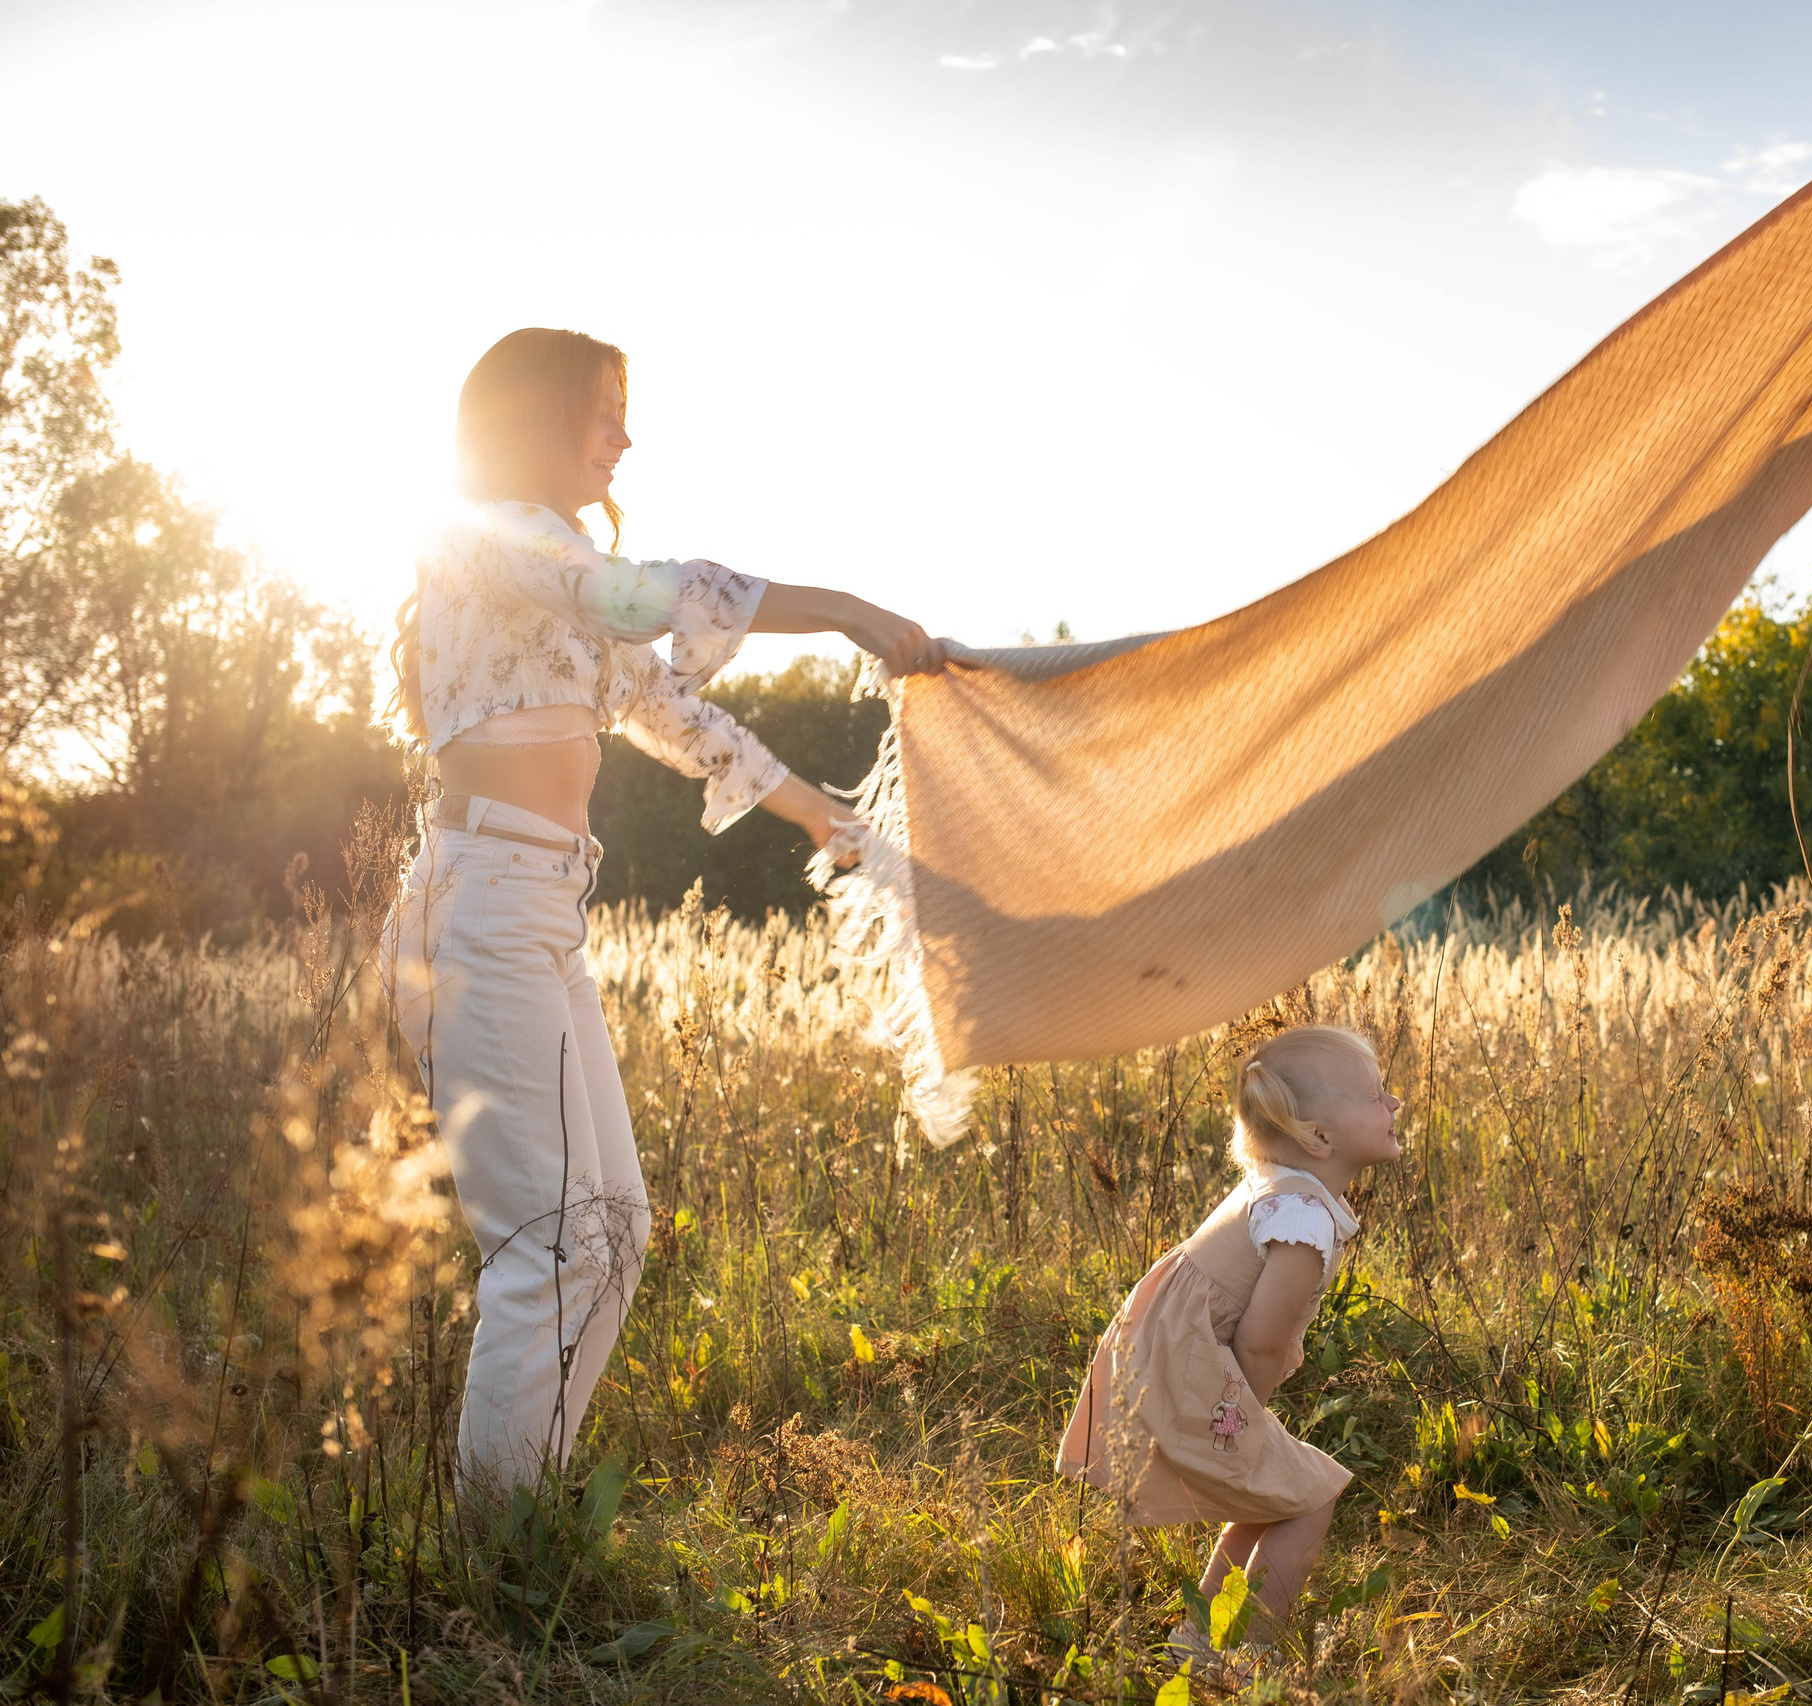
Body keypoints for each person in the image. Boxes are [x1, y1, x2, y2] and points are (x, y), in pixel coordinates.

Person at [379, 326, 961, 1491]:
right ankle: (498, 1567)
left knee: (610, 1236)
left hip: (541, 910)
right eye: (604, 412)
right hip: (477, 906)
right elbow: (638, 599)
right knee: (547, 1248)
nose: (625, 438)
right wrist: (839, 604)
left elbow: (686, 722)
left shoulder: (549, 582)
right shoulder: (485, 539)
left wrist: (824, 819)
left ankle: (525, 1516)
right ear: (537, 419)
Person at [1056, 1026, 1401, 1664]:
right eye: (1378, 1095)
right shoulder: (1302, 1219)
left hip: (1168, 1357)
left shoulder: (1284, 1190)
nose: (1395, 1105)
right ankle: (1242, 1655)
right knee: (1309, 1500)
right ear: (1318, 1137)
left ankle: (1198, 1639)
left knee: (1268, 1492)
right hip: (1190, 1368)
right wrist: (1244, 1412)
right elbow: (1262, 1342)